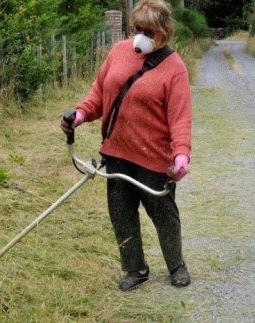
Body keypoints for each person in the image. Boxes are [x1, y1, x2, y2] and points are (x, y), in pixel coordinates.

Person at [60, 0, 192, 291]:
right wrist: (80, 115)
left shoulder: (174, 67)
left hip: (154, 157)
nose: (141, 36)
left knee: (163, 214)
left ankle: (176, 265)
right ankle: (135, 268)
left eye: (149, 31)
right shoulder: (119, 52)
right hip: (117, 151)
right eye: (138, 29)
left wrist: (181, 155)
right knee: (121, 213)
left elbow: (180, 118)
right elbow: (99, 93)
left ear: (164, 32)